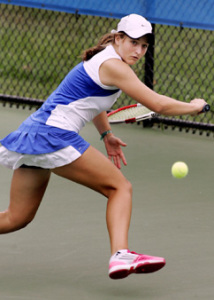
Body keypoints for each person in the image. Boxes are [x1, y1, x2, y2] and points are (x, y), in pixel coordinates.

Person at [0, 14, 207, 280]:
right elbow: (158, 105)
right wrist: (194, 106)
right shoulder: (115, 66)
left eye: (144, 46)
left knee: (17, 217)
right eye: (133, 42)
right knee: (120, 188)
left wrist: (106, 134)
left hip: (34, 133)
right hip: (54, 134)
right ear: (118, 38)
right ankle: (121, 254)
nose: (139, 51)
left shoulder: (105, 59)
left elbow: (95, 101)